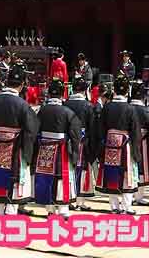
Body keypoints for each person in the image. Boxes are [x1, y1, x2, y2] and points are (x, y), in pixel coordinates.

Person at [0, 62, 38, 215]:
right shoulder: (22, 104)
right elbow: (30, 130)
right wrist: (28, 153)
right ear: (22, 85)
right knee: (15, 177)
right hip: (16, 147)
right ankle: (11, 210)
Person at [34, 79, 82, 219]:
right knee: (62, 178)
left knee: (46, 176)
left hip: (45, 148)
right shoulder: (68, 112)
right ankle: (63, 210)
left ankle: (49, 209)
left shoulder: (42, 110)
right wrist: (74, 153)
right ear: (62, 94)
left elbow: (35, 129)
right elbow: (75, 135)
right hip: (62, 149)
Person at [96, 75, 141, 214]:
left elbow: (100, 128)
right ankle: (128, 206)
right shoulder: (130, 108)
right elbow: (135, 130)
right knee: (127, 173)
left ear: (114, 90)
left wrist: (102, 145)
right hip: (125, 143)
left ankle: (114, 206)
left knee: (111, 172)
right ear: (127, 91)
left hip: (110, 143)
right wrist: (136, 149)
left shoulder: (107, 107)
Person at [64, 77, 96, 211]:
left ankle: (68, 198)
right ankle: (79, 201)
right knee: (82, 169)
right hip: (83, 141)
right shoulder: (88, 105)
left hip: (67, 141)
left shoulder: (66, 103)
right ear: (85, 90)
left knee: (68, 169)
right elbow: (92, 126)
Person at [130, 80, 149, 206]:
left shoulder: (127, 108)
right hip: (143, 143)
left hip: (126, 142)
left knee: (128, 167)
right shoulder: (148, 112)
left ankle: (128, 195)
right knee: (142, 168)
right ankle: (139, 196)